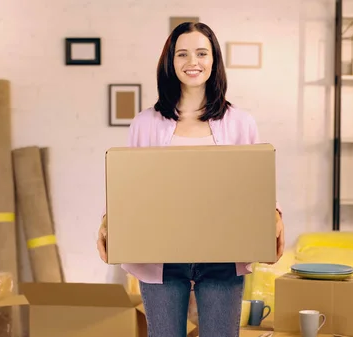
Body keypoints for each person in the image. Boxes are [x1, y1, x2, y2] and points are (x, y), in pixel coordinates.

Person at [97, 22, 285, 337]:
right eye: (182, 54)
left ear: (214, 60)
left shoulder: (240, 123)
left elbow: (256, 183)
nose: (192, 62)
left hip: (223, 255)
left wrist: (275, 214)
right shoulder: (145, 124)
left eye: (201, 53)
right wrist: (108, 221)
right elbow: (127, 187)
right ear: (170, 63)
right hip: (162, 259)